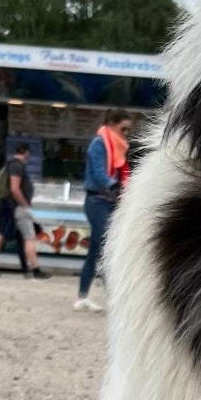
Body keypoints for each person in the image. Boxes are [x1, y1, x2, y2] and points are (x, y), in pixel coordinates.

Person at [76, 110, 131, 310]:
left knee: (96, 251)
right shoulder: (99, 145)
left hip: (109, 203)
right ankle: (115, 300)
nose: (125, 133)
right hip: (97, 202)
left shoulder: (117, 148)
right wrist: (117, 187)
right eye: (122, 128)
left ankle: (82, 297)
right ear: (110, 124)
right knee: (109, 249)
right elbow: (100, 176)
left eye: (127, 130)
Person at [0, 140, 49, 279]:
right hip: (17, 208)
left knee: (4, 236)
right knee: (29, 238)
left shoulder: (13, 165)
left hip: (12, 208)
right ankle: (36, 270)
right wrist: (25, 205)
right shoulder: (17, 166)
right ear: (26, 152)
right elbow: (14, 188)